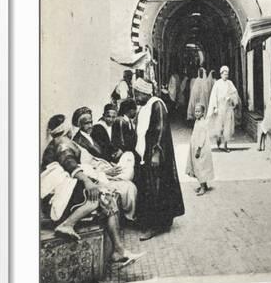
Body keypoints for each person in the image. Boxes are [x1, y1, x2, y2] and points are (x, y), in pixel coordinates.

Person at [40, 113, 144, 267]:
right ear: (66, 128)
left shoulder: (61, 141)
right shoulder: (61, 141)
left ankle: (118, 251)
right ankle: (68, 224)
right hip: (57, 194)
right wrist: (88, 182)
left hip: (65, 188)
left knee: (107, 199)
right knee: (104, 197)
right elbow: (69, 163)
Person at [133, 78, 185, 241]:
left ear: (144, 92)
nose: (135, 96)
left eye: (137, 93)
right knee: (151, 186)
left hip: (156, 154)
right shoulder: (147, 106)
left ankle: (156, 225)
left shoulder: (157, 104)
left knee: (156, 187)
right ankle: (157, 221)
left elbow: (160, 130)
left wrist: (156, 153)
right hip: (147, 153)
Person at [73, 107, 138, 221]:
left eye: (91, 122)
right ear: (79, 125)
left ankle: (129, 214)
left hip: (104, 167)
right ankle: (129, 217)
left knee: (129, 156)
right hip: (97, 175)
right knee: (129, 186)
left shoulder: (91, 134)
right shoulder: (78, 141)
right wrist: (104, 172)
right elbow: (85, 167)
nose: (90, 126)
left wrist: (110, 163)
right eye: (86, 123)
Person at [207, 65, 239, 152]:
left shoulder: (230, 83)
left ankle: (225, 145)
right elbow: (214, 96)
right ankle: (218, 138)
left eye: (227, 74)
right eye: (224, 74)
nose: (226, 76)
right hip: (220, 108)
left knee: (227, 127)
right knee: (219, 126)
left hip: (228, 108)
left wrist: (231, 98)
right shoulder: (217, 83)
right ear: (221, 74)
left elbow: (235, 94)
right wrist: (215, 107)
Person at [185, 103, 215, 196]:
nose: (196, 113)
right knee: (198, 166)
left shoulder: (202, 123)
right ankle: (204, 185)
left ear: (203, 113)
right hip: (196, 147)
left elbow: (202, 138)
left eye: (199, 111)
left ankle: (202, 187)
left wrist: (198, 149)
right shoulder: (198, 121)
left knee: (200, 167)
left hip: (201, 148)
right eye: (196, 111)